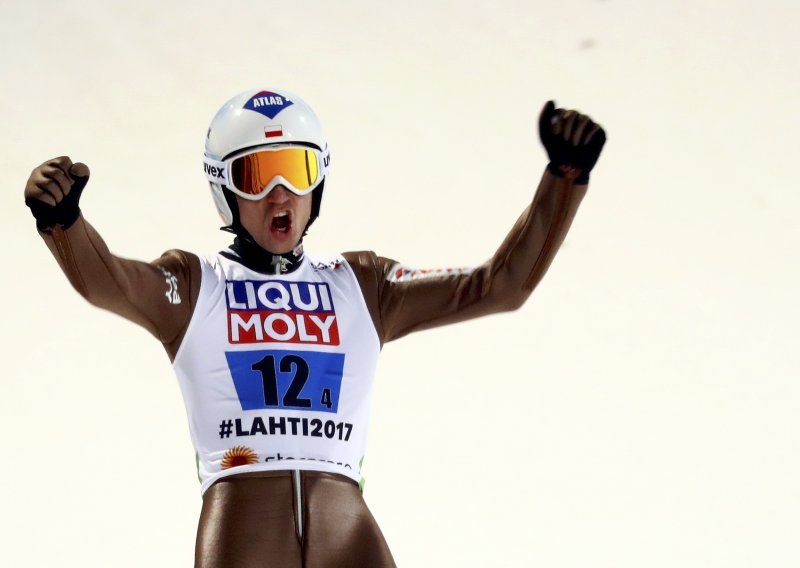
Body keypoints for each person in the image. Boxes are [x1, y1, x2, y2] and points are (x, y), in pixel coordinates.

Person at [24, 88, 606, 567]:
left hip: (346, 529)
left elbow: (499, 286)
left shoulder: (363, 283)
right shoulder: (196, 284)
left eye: (297, 170)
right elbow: (112, 281)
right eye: (257, 174)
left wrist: (564, 177)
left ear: (319, 179)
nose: (280, 193)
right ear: (224, 188)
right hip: (244, 530)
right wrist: (64, 222)